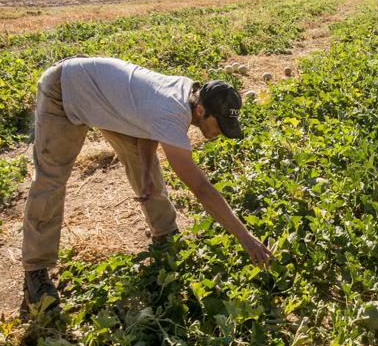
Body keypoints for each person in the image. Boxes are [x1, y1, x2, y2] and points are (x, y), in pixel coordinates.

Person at [22, 57, 274, 309]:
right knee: (51, 179)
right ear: (201, 111)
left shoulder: (186, 93)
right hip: (65, 88)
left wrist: (143, 174)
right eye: (221, 125)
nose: (221, 131)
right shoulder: (172, 112)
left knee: (145, 164)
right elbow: (201, 189)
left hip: (104, 93)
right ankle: (36, 270)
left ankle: (165, 236)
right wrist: (245, 237)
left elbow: (147, 124)